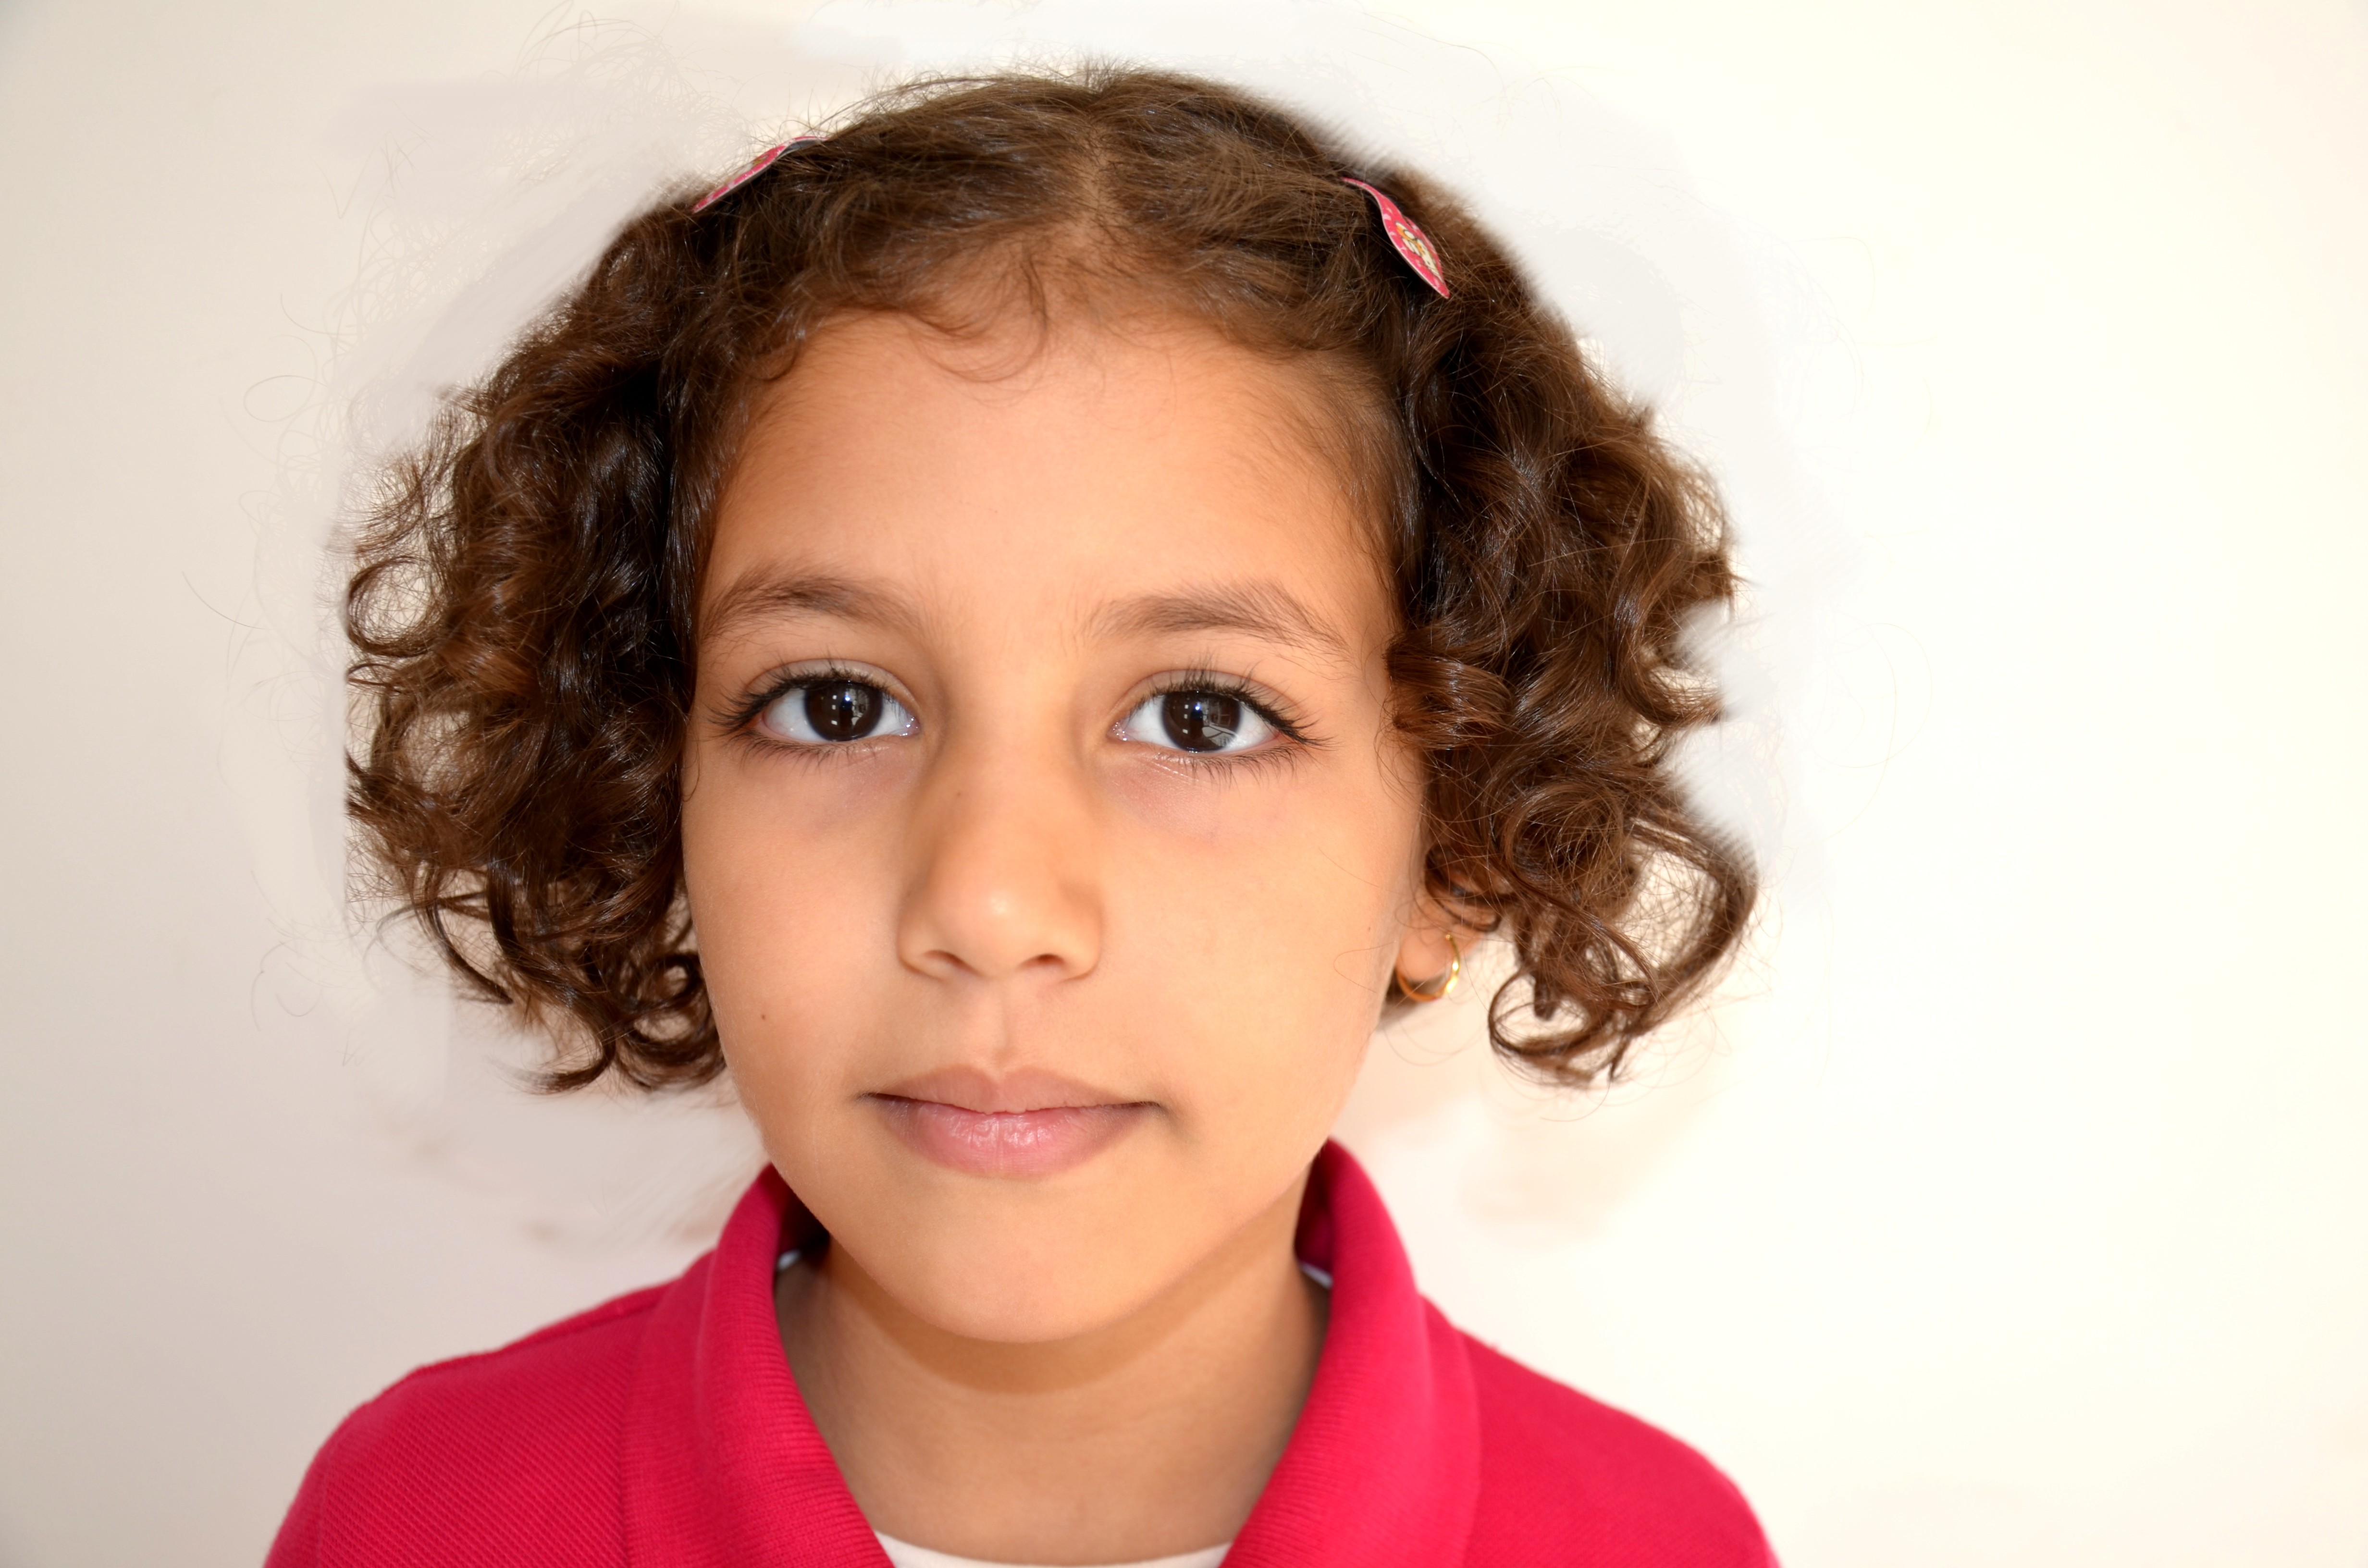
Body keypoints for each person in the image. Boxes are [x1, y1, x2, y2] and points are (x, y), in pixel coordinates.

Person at [272, 67, 1768, 1568]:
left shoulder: (1658, 1548)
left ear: (1457, 844)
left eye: (1200, 717)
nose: (990, 905)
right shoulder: (413, 1522)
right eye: (837, 706)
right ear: (656, 791)